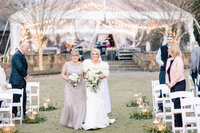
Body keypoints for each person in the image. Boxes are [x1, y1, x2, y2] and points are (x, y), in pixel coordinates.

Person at [82, 48, 115, 130]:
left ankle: (100, 120)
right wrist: (90, 79)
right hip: (89, 85)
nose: (95, 55)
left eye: (96, 54)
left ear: (99, 55)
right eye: (93, 54)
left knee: (98, 101)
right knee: (90, 101)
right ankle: (90, 122)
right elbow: (84, 75)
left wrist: (97, 78)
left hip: (99, 85)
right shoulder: (87, 63)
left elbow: (105, 75)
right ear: (91, 55)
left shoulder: (103, 64)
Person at [60, 49, 85, 130]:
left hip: (80, 87)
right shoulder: (67, 64)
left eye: (76, 56)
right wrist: (69, 80)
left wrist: (93, 78)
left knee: (78, 105)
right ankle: (70, 121)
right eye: (73, 56)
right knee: (69, 104)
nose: (75, 57)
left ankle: (77, 121)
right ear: (71, 56)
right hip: (69, 87)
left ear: (78, 56)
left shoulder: (82, 65)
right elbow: (62, 74)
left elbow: (84, 76)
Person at [166, 44, 185, 128]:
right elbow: (167, 72)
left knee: (178, 103)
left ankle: (179, 124)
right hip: (171, 84)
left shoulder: (179, 59)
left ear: (173, 50)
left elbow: (179, 73)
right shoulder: (169, 60)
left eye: (169, 49)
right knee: (174, 103)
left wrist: (172, 83)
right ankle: (176, 123)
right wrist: (167, 83)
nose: (168, 50)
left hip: (179, 83)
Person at [9, 41, 29, 117]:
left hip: (21, 81)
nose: (28, 49)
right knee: (15, 99)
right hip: (16, 81)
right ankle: (14, 114)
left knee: (23, 98)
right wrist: (26, 74)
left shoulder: (21, 55)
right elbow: (19, 67)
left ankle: (23, 113)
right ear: (22, 47)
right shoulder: (17, 55)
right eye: (27, 48)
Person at [156, 33, 174, 112]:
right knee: (162, 88)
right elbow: (157, 58)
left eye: (171, 39)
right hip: (163, 71)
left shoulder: (176, 48)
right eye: (168, 39)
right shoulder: (162, 48)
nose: (169, 40)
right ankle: (161, 107)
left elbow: (179, 57)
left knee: (173, 88)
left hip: (173, 71)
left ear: (173, 40)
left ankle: (174, 105)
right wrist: (164, 64)